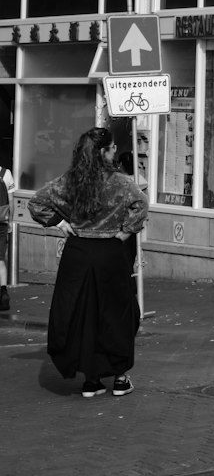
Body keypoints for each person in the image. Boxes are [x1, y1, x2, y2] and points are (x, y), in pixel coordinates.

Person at [27, 127, 148, 398]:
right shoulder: (120, 181)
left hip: (79, 253)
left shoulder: (71, 180)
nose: (116, 151)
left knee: (83, 314)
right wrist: (126, 231)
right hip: (110, 251)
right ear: (104, 152)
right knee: (116, 313)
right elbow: (141, 204)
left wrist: (60, 223)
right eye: (113, 147)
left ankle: (91, 379)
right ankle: (119, 377)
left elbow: (37, 203)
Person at [0, 154, 12, 313]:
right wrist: (10, 222)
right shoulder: (5, 174)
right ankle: (3, 294)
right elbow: (11, 200)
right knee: (0, 258)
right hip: (1, 221)